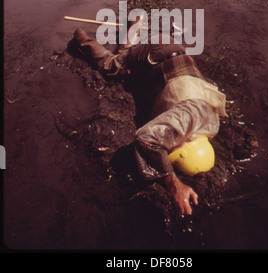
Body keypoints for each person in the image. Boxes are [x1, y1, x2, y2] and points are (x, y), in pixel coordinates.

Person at [70, 16, 227, 216]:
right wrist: (173, 183)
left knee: (132, 69)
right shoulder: (184, 119)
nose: (171, 146)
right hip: (156, 52)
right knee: (114, 68)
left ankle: (136, 28)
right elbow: (146, 138)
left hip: (171, 53)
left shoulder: (210, 125)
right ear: (186, 145)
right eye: (175, 149)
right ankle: (81, 39)